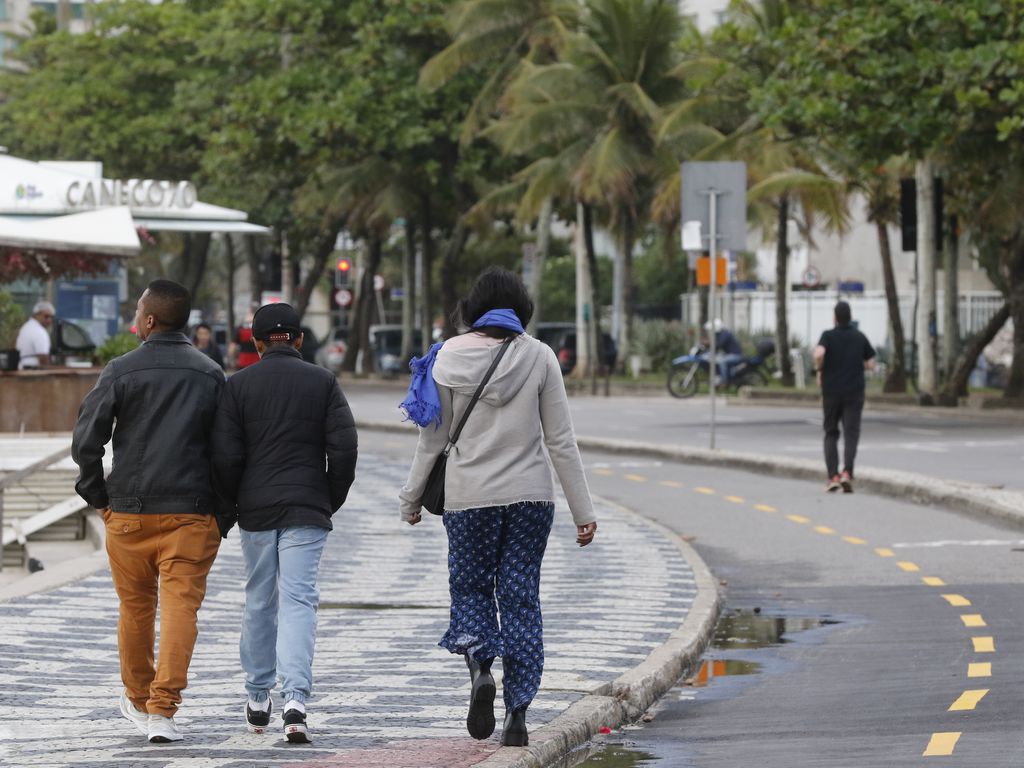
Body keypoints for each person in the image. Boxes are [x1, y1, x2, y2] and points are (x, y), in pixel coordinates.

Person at [398, 266, 598, 747]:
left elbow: (433, 440)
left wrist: (411, 499)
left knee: (470, 588)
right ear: (520, 308)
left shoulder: (445, 357)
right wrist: (583, 510)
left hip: (470, 500)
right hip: (531, 497)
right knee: (521, 596)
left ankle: (482, 666)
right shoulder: (541, 356)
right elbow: (561, 441)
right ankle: (518, 715)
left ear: (471, 308)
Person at [71, 279, 224, 744]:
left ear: (150, 320)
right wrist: (221, 512)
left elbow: (85, 441)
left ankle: (138, 699)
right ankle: (163, 711)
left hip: (130, 513)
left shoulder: (120, 370)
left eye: (138, 310)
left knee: (135, 608)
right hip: (192, 513)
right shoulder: (211, 373)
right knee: (181, 609)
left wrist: (98, 498)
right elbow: (229, 450)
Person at [210, 302, 357, 744]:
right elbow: (345, 450)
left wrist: (233, 505)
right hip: (306, 510)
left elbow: (225, 455)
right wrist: (327, 499)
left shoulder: (238, 386)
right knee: (299, 601)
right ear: (298, 339)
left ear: (256, 343)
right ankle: (296, 700)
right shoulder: (324, 382)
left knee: (259, 599)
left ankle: (258, 697)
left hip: (256, 510)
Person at [814, 301, 876, 493]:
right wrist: (859, 364)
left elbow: (819, 353)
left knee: (831, 432)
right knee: (851, 433)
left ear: (835, 317)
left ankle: (833, 476)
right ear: (850, 317)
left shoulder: (828, 336)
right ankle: (847, 473)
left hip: (831, 392)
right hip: (854, 392)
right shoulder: (859, 337)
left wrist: (819, 368)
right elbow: (872, 363)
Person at [16, 300, 55, 369]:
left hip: (21, 367)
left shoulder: (26, 327)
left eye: (51, 317)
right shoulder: (39, 331)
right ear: (37, 315)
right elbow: (43, 357)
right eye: (46, 316)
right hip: (32, 370)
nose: (49, 320)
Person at [703, 319, 743, 384]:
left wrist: (708, 343)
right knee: (715, 356)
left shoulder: (724, 334)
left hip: (736, 355)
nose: (710, 331)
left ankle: (724, 380)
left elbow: (719, 344)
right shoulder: (719, 334)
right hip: (729, 354)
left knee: (721, 361)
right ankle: (717, 376)